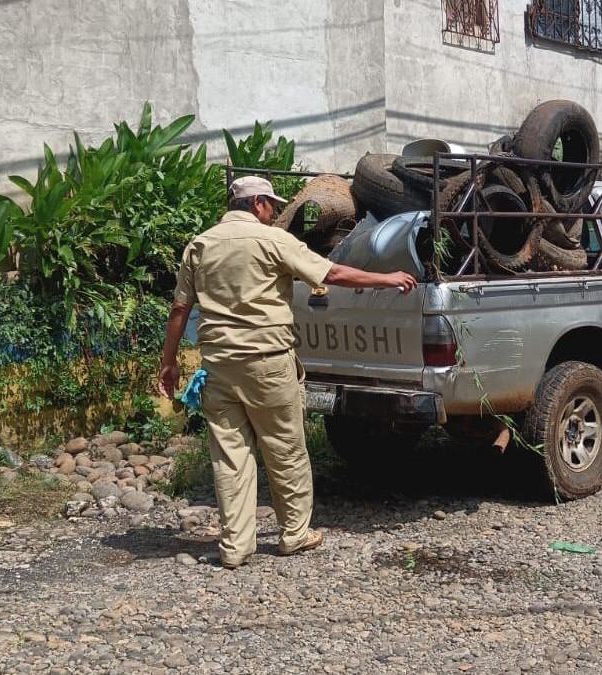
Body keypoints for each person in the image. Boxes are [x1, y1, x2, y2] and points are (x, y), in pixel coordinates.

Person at [158, 176, 418, 568]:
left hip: (219, 366)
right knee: (284, 447)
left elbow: (179, 310)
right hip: (268, 362)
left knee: (230, 457)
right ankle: (294, 534)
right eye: (272, 206)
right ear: (258, 202)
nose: (275, 213)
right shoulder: (272, 240)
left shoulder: (201, 245)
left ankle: (234, 548)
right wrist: (386, 278)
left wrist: (169, 362)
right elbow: (330, 274)